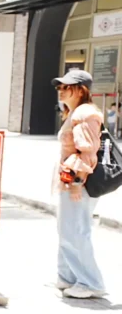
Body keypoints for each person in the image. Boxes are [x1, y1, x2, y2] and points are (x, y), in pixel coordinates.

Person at [53, 69, 106, 299]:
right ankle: (68, 276)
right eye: (60, 87)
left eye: (66, 87)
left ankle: (91, 282)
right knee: (67, 229)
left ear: (81, 90)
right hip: (69, 180)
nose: (61, 91)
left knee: (76, 230)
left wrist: (76, 181)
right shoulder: (74, 112)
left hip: (78, 183)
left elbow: (87, 151)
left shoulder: (85, 114)